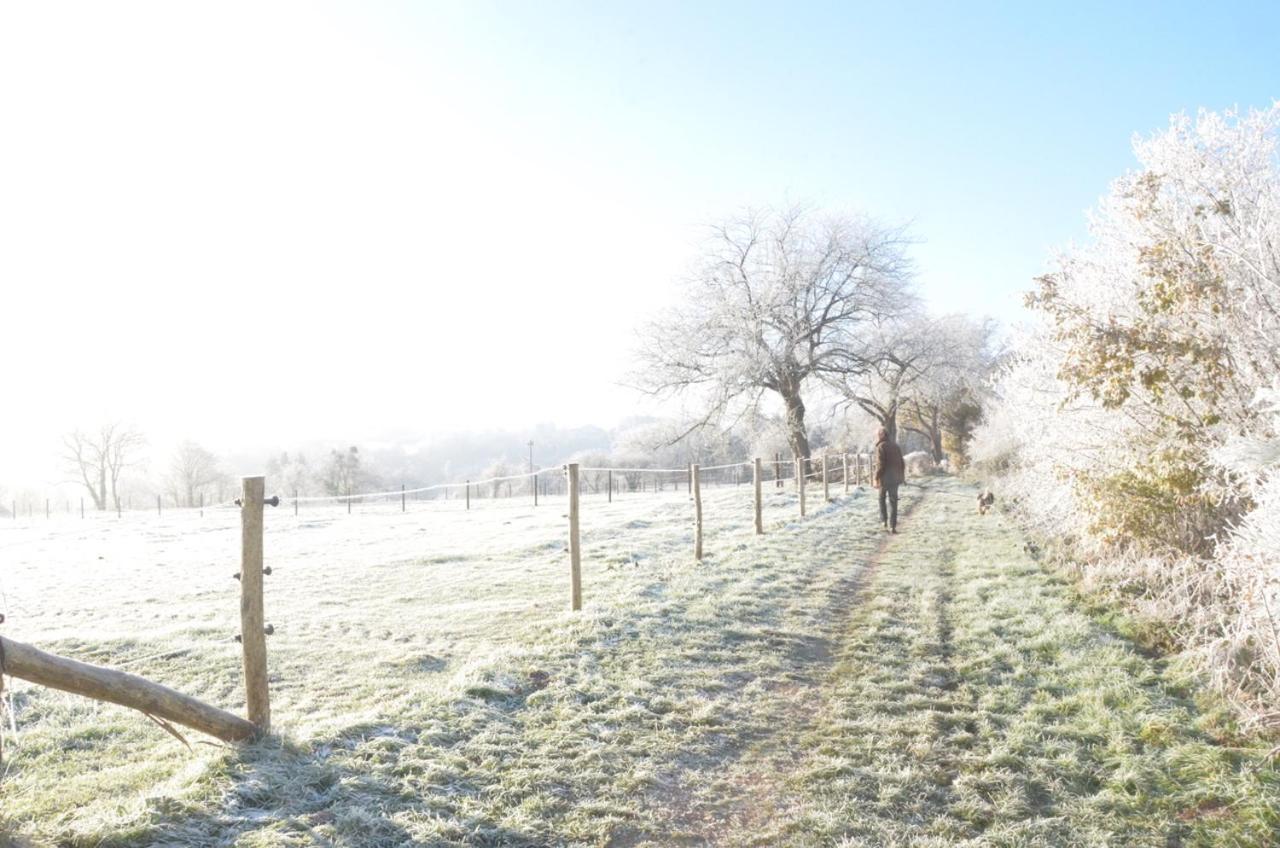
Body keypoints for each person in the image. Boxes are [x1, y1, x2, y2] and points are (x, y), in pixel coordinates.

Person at [873, 426, 906, 533]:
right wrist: (901, 476)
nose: (877, 436)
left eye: (878, 434)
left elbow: (880, 465)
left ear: (882, 435)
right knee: (893, 502)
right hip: (895, 478)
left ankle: (884, 521)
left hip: (884, 478)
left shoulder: (881, 446)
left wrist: (876, 478)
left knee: (881, 499)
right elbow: (902, 463)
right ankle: (893, 526)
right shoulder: (896, 446)